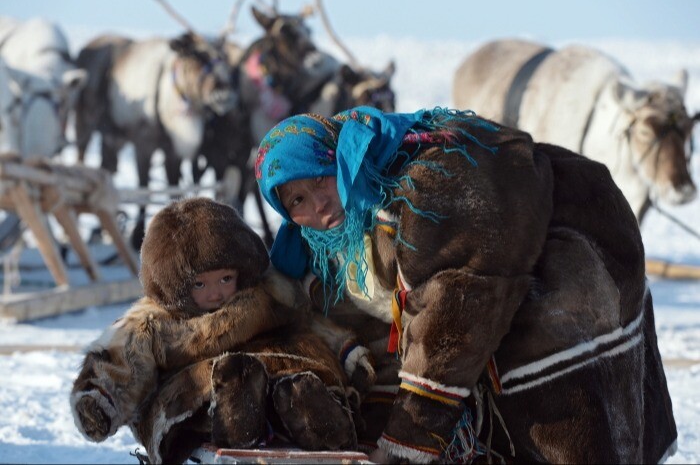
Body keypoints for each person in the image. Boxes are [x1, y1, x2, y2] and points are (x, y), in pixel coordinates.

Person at [255, 106, 678, 463]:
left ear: (342, 161)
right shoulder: (331, 243)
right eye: (296, 201)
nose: (318, 204)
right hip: (515, 276)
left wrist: (409, 437)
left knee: (568, 423)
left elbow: (457, 307)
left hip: (574, 265)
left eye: (320, 179)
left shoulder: (422, 189)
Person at [70, 197, 375, 464]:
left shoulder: (269, 294)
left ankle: (311, 409)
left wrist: (346, 348)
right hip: (201, 388)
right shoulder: (157, 318)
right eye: (200, 284)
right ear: (174, 284)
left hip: (280, 371)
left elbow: (308, 322)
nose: (215, 293)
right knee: (222, 382)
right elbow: (123, 352)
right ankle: (234, 411)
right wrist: (99, 399)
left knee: (302, 371)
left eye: (225, 278)